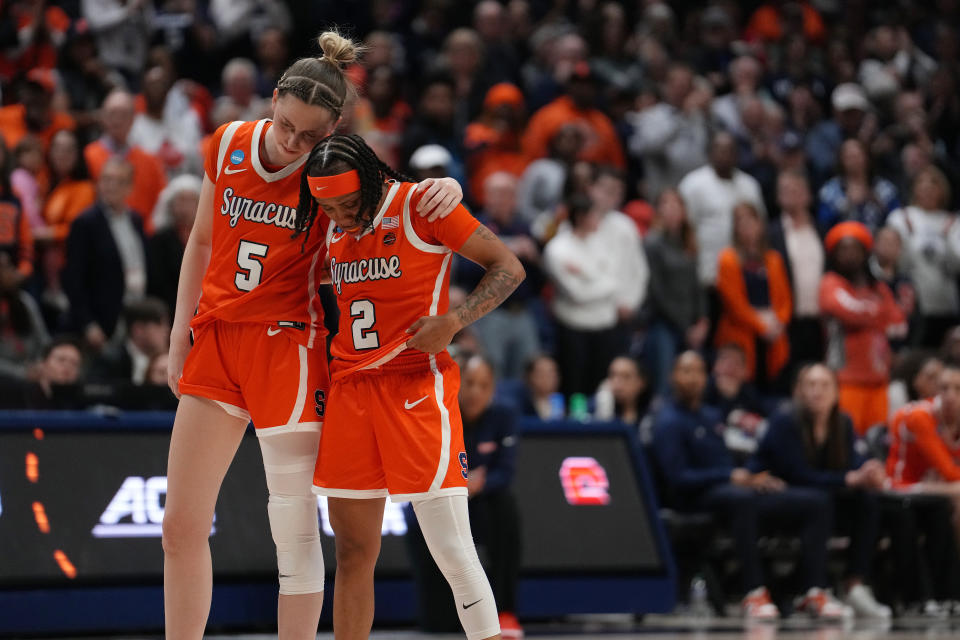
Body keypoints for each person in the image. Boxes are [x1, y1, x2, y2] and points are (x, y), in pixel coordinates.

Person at [161, 32, 464, 640]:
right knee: (180, 527)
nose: (295, 143)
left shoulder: (338, 172)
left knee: (295, 536)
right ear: (271, 100)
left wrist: (448, 191)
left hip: (289, 348)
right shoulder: (228, 144)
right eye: (287, 127)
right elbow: (200, 240)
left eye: (311, 136)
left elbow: (403, 206)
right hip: (218, 339)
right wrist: (178, 336)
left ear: (334, 129)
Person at [302, 133, 524, 640]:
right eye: (328, 207)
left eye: (348, 204)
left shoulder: (423, 206)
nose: (338, 215)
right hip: (351, 391)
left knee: (451, 549)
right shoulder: (331, 221)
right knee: (353, 552)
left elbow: (509, 268)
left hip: (415, 387)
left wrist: (454, 321)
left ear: (372, 180)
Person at [652, 351, 848, 620]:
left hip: (729, 489)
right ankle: (753, 591)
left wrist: (755, 478)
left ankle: (811, 589)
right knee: (743, 499)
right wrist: (731, 476)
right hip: (692, 498)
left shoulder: (710, 416)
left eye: (698, 371)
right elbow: (677, 477)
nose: (693, 378)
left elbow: (728, 465)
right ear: (673, 376)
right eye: (685, 371)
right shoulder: (668, 420)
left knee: (814, 501)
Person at [755, 364, 891, 618]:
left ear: (837, 393)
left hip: (820, 498)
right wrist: (849, 478)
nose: (817, 392)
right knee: (819, 501)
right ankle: (814, 589)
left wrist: (869, 471)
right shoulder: (785, 421)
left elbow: (852, 463)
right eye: (811, 385)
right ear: (799, 391)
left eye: (825, 385)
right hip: (776, 497)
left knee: (868, 500)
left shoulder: (842, 422)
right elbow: (795, 474)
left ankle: (855, 583)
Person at [819, 221, 907, 435]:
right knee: (848, 439)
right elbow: (847, 311)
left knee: (878, 440)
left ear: (865, 252)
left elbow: (899, 326)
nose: (849, 255)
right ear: (834, 254)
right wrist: (878, 314)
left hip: (879, 378)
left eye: (854, 248)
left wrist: (869, 314)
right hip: (846, 379)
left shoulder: (879, 288)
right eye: (843, 249)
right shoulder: (830, 283)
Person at [543, 195, 629, 396]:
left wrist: (584, 274)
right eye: (594, 216)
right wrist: (599, 280)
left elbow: (616, 279)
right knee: (575, 384)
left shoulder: (603, 244)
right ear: (581, 217)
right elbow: (577, 294)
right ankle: (576, 423)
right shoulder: (557, 249)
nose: (598, 221)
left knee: (602, 384)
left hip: (605, 326)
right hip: (573, 328)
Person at [64, 156, 149, 352]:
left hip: (135, 311)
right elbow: (73, 279)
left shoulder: (135, 219)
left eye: (117, 181)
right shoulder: (86, 223)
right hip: (103, 317)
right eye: (105, 180)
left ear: (129, 187)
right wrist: (88, 324)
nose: (110, 186)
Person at [714, 203, 792, 390]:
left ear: (760, 224)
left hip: (773, 334)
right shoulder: (727, 259)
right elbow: (734, 305)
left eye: (751, 220)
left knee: (775, 384)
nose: (747, 226)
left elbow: (785, 300)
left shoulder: (773, 259)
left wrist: (778, 323)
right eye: (741, 221)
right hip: (741, 332)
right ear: (735, 227)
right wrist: (762, 326)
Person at [678, 131, 767, 287]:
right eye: (720, 150)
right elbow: (684, 228)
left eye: (729, 150)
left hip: (746, 271)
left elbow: (760, 224)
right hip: (707, 271)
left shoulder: (749, 185)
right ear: (710, 153)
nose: (724, 155)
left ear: (737, 154)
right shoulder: (693, 184)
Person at [643, 189, 707, 398]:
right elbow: (657, 291)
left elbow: (698, 285)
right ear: (658, 211)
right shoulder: (653, 243)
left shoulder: (689, 243)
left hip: (691, 325)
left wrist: (702, 320)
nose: (671, 210)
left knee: (696, 383)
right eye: (665, 204)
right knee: (665, 384)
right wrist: (685, 327)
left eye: (675, 205)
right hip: (664, 323)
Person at [886, 166, 960, 348]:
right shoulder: (900, 218)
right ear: (914, 188)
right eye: (922, 184)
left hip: (945, 304)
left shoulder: (953, 222)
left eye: (933, 184)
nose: (927, 189)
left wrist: (947, 238)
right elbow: (893, 263)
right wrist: (909, 240)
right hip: (910, 306)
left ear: (943, 191)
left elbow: (956, 267)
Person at [83, 90, 167, 231]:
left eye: (123, 115)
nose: (117, 120)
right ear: (103, 117)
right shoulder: (87, 156)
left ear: (134, 119)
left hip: (142, 237)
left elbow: (161, 203)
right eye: (112, 114)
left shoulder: (150, 161)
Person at [768, 171, 825, 364]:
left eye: (796, 189)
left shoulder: (821, 230)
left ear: (808, 195)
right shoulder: (771, 234)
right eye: (785, 190)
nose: (791, 194)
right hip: (787, 322)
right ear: (777, 196)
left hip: (820, 321)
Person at [816, 138, 900, 234]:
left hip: (878, 240)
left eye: (857, 156)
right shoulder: (830, 190)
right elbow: (823, 222)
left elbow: (897, 218)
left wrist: (878, 203)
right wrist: (846, 205)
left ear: (866, 157)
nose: (854, 161)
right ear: (841, 160)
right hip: (844, 239)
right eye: (849, 157)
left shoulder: (884, 188)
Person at [91, 297, 170, 384]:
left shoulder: (166, 360)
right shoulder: (110, 360)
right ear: (138, 330)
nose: (167, 331)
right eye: (160, 325)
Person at [594, 356, 651, 428]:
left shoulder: (654, 416)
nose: (617, 382)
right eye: (612, 375)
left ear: (641, 382)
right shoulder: (593, 409)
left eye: (626, 377)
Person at [519, 354, 562, 420]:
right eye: (542, 373)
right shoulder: (521, 406)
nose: (547, 378)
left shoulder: (562, 403)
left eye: (551, 373)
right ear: (529, 376)